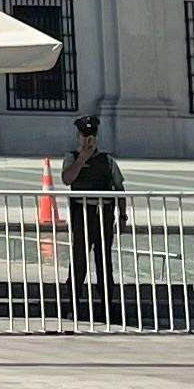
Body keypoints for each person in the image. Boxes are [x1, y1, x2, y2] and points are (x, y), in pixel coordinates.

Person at [62, 113, 125, 323]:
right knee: (79, 259)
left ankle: (106, 307)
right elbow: (67, 178)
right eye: (84, 134)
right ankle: (73, 305)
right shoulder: (72, 158)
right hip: (82, 214)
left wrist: (122, 215)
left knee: (104, 261)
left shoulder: (107, 160)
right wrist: (82, 158)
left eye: (91, 134)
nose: (87, 138)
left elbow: (119, 187)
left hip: (103, 214)